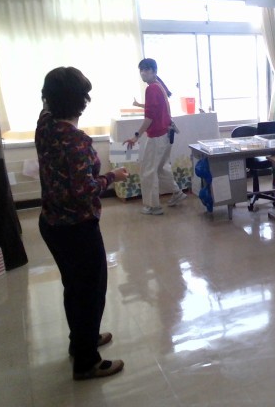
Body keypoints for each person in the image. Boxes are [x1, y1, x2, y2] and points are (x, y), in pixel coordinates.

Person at [36, 67, 129, 380]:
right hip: (77, 227)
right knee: (90, 292)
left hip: (51, 222)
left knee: (74, 287)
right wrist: (112, 177)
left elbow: (47, 103)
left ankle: (81, 341)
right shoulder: (75, 140)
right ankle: (87, 362)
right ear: (80, 102)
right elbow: (84, 190)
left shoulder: (44, 125)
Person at [124, 58, 186, 215]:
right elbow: (154, 108)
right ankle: (177, 192)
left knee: (148, 171)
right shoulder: (158, 86)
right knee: (161, 168)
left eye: (146, 70)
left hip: (158, 136)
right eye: (141, 70)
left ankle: (153, 206)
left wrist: (136, 136)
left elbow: (149, 117)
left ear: (154, 71)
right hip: (166, 134)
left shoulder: (151, 88)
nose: (143, 73)